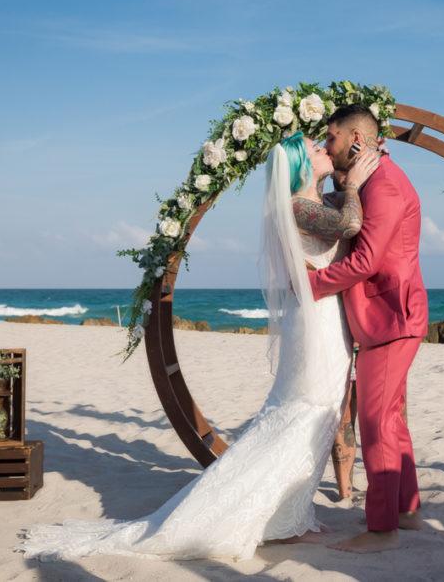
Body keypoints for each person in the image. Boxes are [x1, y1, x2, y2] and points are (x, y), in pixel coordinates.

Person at [19, 133, 380, 560]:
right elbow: (350, 225)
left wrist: (346, 180)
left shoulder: (311, 203)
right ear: (302, 164)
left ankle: (288, 517)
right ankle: (278, 519)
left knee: (315, 410)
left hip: (321, 318)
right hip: (316, 324)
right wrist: (355, 183)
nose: (326, 150)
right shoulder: (297, 206)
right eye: (317, 149)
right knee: (308, 408)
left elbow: (341, 220)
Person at [307, 105, 429, 553]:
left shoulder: (385, 186)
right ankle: (407, 510)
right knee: (391, 418)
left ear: (357, 139)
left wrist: (310, 284)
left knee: (375, 421)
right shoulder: (374, 180)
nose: (327, 146)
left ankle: (381, 530)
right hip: (390, 317)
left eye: (332, 138)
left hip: (391, 317)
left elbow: (365, 262)